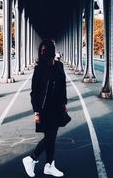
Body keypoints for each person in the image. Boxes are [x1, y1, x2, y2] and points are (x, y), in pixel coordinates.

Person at [22, 40, 68, 177]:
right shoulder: (39, 68)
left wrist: (64, 104)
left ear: (50, 51)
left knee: (51, 137)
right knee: (50, 136)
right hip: (44, 108)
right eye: (41, 50)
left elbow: (63, 87)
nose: (42, 52)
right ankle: (31, 158)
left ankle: (49, 165)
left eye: (44, 50)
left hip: (57, 107)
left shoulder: (59, 66)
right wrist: (36, 111)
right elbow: (34, 92)